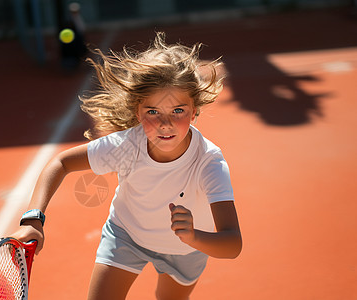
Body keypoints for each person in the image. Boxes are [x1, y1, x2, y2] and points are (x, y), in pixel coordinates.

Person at [12, 32, 242, 300]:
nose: (164, 124)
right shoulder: (126, 145)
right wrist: (33, 219)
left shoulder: (208, 162)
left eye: (177, 111)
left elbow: (232, 243)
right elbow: (61, 162)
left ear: (194, 111)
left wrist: (194, 237)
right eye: (153, 112)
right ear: (137, 112)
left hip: (185, 250)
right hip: (126, 235)